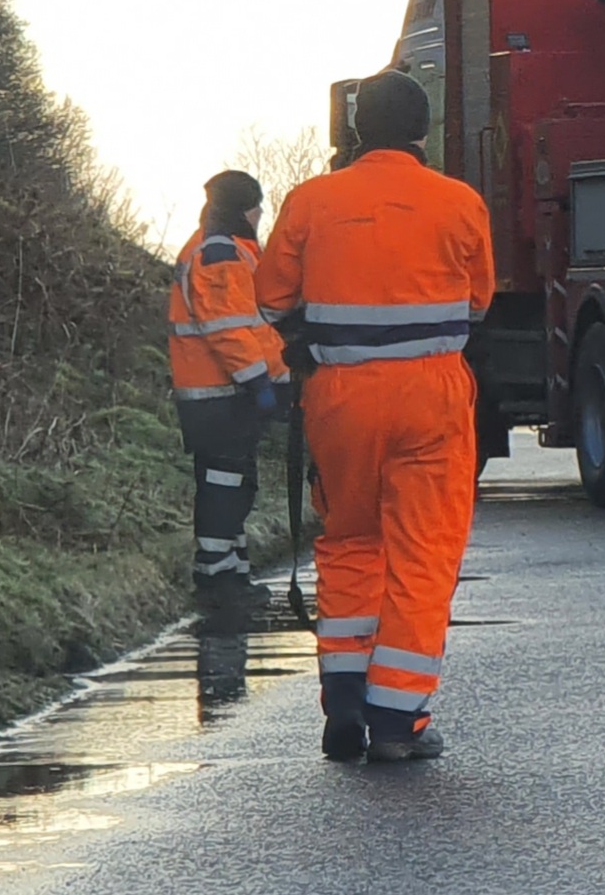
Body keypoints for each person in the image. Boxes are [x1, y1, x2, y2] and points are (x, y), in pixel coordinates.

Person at [256, 70, 493, 763]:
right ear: (422, 132)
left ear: (358, 130)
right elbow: (478, 304)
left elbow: (271, 297)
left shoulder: (312, 200)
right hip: (431, 396)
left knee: (350, 537)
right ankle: (397, 720)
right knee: (423, 552)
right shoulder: (459, 203)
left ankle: (346, 700)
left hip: (340, 394)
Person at [167, 169, 289, 619]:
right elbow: (229, 330)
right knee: (224, 486)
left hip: (217, 393)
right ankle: (217, 579)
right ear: (245, 208)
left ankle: (231, 573)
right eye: (257, 205)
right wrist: (260, 382)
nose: (260, 214)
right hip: (219, 395)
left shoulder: (223, 247)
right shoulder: (219, 253)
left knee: (234, 484)